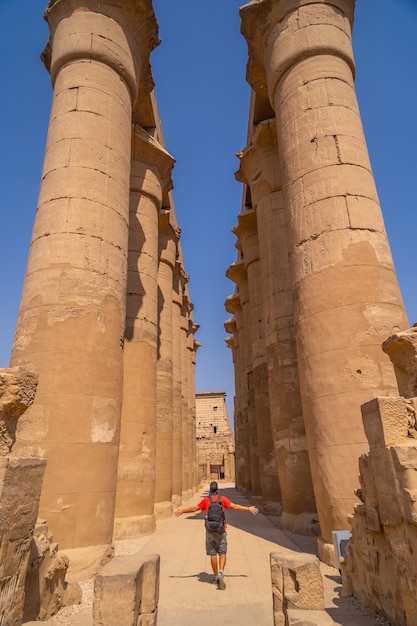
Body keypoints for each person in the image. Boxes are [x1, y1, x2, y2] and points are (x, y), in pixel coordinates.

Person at [175, 481, 258, 589]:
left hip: (209, 529)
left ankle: (215, 576)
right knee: (222, 551)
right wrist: (248, 508)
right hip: (221, 529)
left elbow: (195, 508)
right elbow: (235, 507)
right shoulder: (222, 499)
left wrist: (182, 511)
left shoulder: (206, 500)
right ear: (217, 490)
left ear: (210, 490)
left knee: (213, 553)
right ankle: (221, 572)